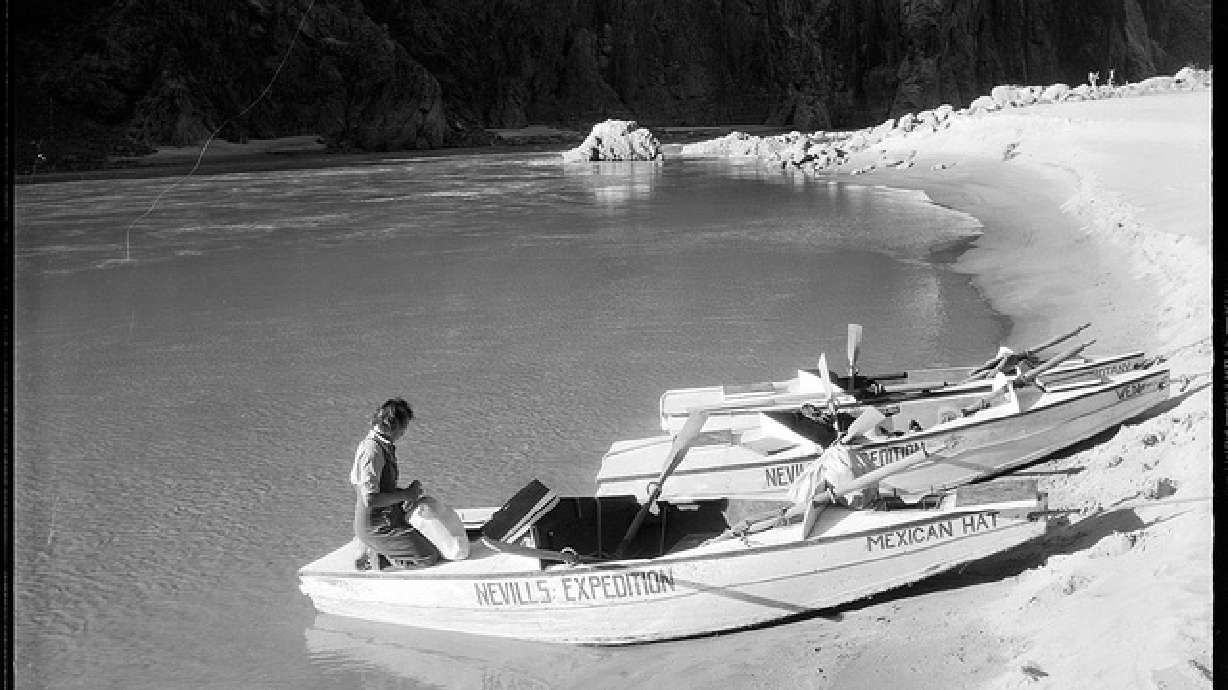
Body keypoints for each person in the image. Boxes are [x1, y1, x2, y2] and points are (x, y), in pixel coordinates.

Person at [350, 398, 440, 569]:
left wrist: (406, 494)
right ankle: (378, 557)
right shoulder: (372, 451)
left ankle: (378, 548)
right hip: (376, 526)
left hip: (388, 516)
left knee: (432, 538)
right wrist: (406, 494)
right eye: (403, 427)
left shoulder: (382, 445)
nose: (404, 432)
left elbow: (382, 488)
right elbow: (370, 499)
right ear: (391, 425)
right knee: (428, 556)